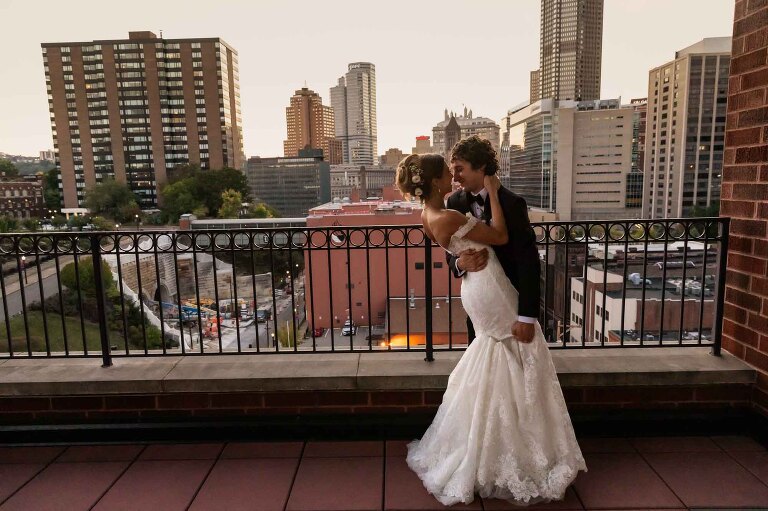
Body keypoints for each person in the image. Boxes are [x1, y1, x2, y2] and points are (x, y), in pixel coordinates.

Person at [395, 148, 586, 506]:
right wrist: (460, 263)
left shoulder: (510, 203)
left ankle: (496, 445)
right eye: (450, 171)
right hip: (485, 291)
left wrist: (528, 315)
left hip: (494, 292)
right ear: (436, 180)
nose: (455, 177)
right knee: (507, 359)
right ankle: (500, 451)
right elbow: (473, 244)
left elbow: (529, 263)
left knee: (497, 363)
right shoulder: (452, 204)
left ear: (483, 168)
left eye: (461, 169)